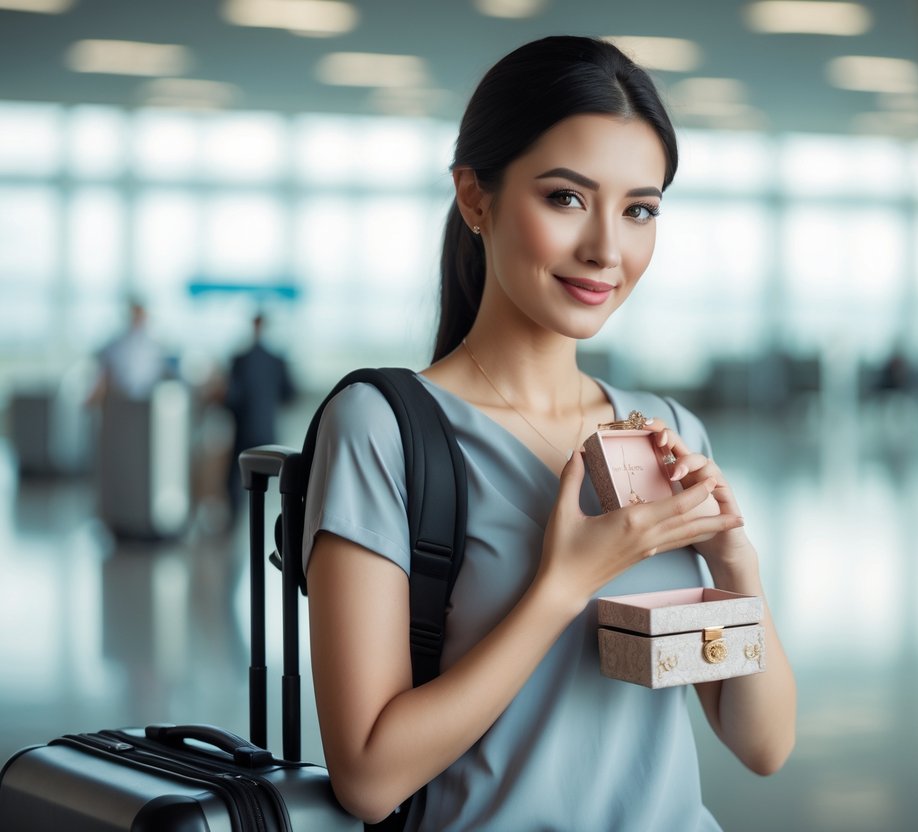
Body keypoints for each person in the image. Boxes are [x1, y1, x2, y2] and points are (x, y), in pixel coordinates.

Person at [302, 36, 797, 830]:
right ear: (475, 197)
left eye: (639, 209)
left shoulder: (663, 430)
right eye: (566, 198)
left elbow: (762, 743)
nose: (607, 249)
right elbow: (368, 777)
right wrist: (564, 584)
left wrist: (735, 563)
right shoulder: (384, 429)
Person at [223, 312, 296, 518]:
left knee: (236, 479)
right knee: (274, 481)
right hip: (267, 430)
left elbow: (232, 398)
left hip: (244, 430)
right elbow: (290, 394)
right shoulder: (276, 360)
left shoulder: (240, 359)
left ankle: (236, 520)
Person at [87, 298, 168, 405]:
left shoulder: (155, 344)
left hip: (146, 398)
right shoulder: (117, 342)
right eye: (135, 315)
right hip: (120, 397)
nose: (137, 319)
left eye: (140, 315)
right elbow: (104, 364)